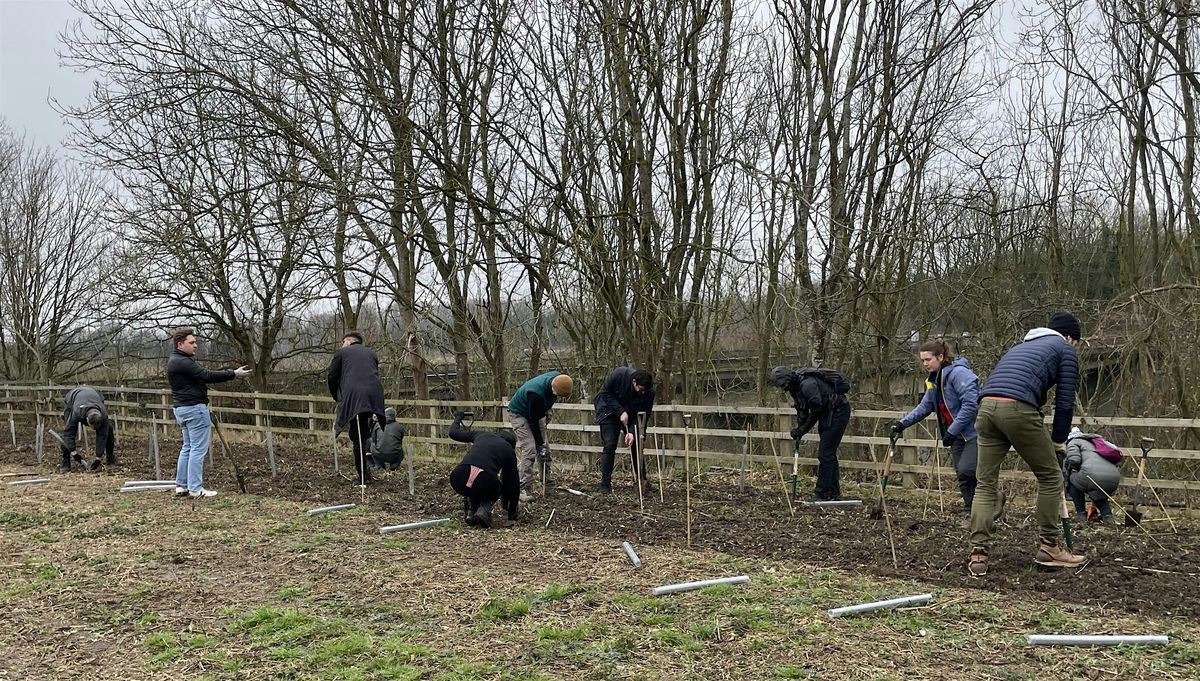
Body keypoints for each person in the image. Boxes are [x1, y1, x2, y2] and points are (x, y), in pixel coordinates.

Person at [967, 312, 1086, 576]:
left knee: (985, 483)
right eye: (1076, 343)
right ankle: (1050, 547)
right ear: (1070, 337)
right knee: (1050, 476)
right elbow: (1065, 401)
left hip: (986, 408)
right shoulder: (1064, 349)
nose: (1075, 348)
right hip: (1018, 409)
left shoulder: (1021, 347)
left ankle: (978, 553)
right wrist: (1058, 441)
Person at [891, 340, 980, 513]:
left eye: (928, 360)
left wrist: (952, 431)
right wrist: (902, 423)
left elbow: (971, 405)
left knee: (967, 469)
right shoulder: (933, 380)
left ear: (941, 357)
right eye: (922, 360)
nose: (925, 364)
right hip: (956, 434)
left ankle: (986, 502)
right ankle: (971, 510)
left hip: (974, 432)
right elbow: (925, 406)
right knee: (961, 474)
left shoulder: (959, 374)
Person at [167, 328, 250, 498]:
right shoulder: (183, 362)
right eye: (192, 342)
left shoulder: (175, 360)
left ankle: (181, 486)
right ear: (180, 344)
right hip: (194, 409)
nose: (195, 345)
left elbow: (200, 375)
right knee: (197, 449)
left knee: (188, 447)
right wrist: (233, 373)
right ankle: (196, 489)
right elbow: (206, 375)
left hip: (181, 409)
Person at [768, 365, 852, 501]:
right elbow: (802, 409)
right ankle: (833, 492)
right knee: (829, 454)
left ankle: (823, 493)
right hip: (827, 413)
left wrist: (803, 430)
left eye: (783, 385)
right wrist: (799, 429)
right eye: (780, 386)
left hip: (837, 412)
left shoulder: (807, 385)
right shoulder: (794, 388)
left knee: (825, 454)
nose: (782, 388)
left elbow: (815, 411)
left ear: (788, 379)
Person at [327, 331, 386, 487]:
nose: (342, 345)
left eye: (343, 342)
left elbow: (332, 376)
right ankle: (367, 469)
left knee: (357, 436)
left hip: (354, 396)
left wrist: (337, 397)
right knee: (364, 433)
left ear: (347, 341)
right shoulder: (372, 354)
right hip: (374, 395)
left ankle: (362, 476)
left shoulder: (342, 352)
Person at [507, 370, 573, 501]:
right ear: (552, 387)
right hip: (519, 414)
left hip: (537, 413)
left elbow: (541, 414)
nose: (556, 396)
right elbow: (533, 421)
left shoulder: (559, 379)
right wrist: (540, 442)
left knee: (545, 451)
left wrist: (543, 445)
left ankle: (549, 486)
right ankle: (523, 488)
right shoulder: (535, 394)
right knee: (530, 448)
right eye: (556, 393)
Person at [448, 410, 520, 529]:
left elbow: (453, 433)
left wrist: (458, 418)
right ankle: (485, 510)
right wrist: (512, 514)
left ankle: (472, 512)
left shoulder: (481, 435)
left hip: (458, 477)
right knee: (492, 485)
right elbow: (512, 484)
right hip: (484, 480)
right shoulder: (508, 449)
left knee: (475, 483)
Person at [593, 367, 656, 493]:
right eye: (641, 389)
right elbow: (605, 393)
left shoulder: (649, 392)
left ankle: (641, 481)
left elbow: (644, 413)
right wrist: (620, 411)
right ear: (634, 382)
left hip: (633, 413)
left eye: (646, 390)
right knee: (610, 444)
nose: (643, 393)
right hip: (608, 409)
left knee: (637, 444)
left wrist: (632, 431)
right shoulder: (618, 375)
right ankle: (605, 485)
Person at [1063, 428, 1121, 525]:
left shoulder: (1073, 442)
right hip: (1113, 477)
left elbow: (1074, 460)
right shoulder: (1096, 442)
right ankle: (1108, 517)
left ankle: (1081, 515)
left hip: (1092, 475)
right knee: (1096, 490)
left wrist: (1075, 469)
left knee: (1073, 481)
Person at [59, 386, 116, 471]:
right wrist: (74, 453)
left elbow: (103, 435)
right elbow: (69, 433)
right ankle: (66, 462)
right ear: (86, 419)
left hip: (94, 395)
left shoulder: (103, 414)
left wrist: (98, 458)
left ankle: (110, 458)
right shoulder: (77, 412)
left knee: (109, 429)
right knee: (67, 429)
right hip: (73, 397)